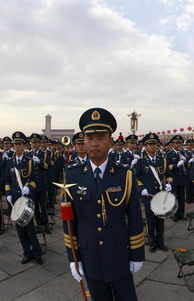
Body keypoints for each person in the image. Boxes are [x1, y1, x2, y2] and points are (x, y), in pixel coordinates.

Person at [64, 108, 144, 301]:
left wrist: (137, 253)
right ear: (83, 141)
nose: (94, 143)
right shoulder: (72, 175)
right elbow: (69, 222)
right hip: (89, 254)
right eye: (89, 137)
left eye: (100, 137)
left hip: (119, 254)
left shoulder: (125, 175)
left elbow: (134, 217)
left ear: (110, 141)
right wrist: (73, 258)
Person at [4, 131, 43, 264]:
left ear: (24, 146)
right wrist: (8, 194)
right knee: (20, 229)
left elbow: (34, 180)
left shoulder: (29, 161)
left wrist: (29, 188)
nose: (17, 147)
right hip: (15, 199)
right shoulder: (9, 162)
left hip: (27, 198)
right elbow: (7, 181)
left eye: (20, 144)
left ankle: (37, 253)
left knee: (30, 227)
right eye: (15, 144)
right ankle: (27, 253)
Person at [135, 133, 172, 253]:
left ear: (157, 146)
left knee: (160, 220)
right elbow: (136, 178)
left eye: (154, 144)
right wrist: (142, 188)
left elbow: (169, 176)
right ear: (145, 146)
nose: (152, 146)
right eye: (150, 144)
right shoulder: (141, 162)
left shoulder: (163, 160)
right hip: (148, 196)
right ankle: (152, 241)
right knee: (150, 221)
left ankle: (160, 241)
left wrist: (168, 183)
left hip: (160, 196)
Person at [28, 133, 51, 234]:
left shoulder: (44, 154)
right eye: (33, 143)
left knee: (43, 205)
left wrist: (40, 162)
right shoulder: (28, 154)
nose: (34, 144)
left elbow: (47, 166)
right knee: (35, 206)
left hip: (41, 183)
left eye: (36, 142)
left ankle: (45, 224)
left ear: (39, 143)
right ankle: (39, 224)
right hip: (33, 185)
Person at [165, 135, 188, 222]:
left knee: (182, 198)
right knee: (174, 197)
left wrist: (185, 162)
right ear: (173, 144)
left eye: (180, 143)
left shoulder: (182, 153)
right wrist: (176, 165)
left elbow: (186, 167)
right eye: (177, 143)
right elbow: (167, 167)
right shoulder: (169, 154)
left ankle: (181, 214)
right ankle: (174, 214)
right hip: (173, 178)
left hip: (182, 178)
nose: (179, 145)